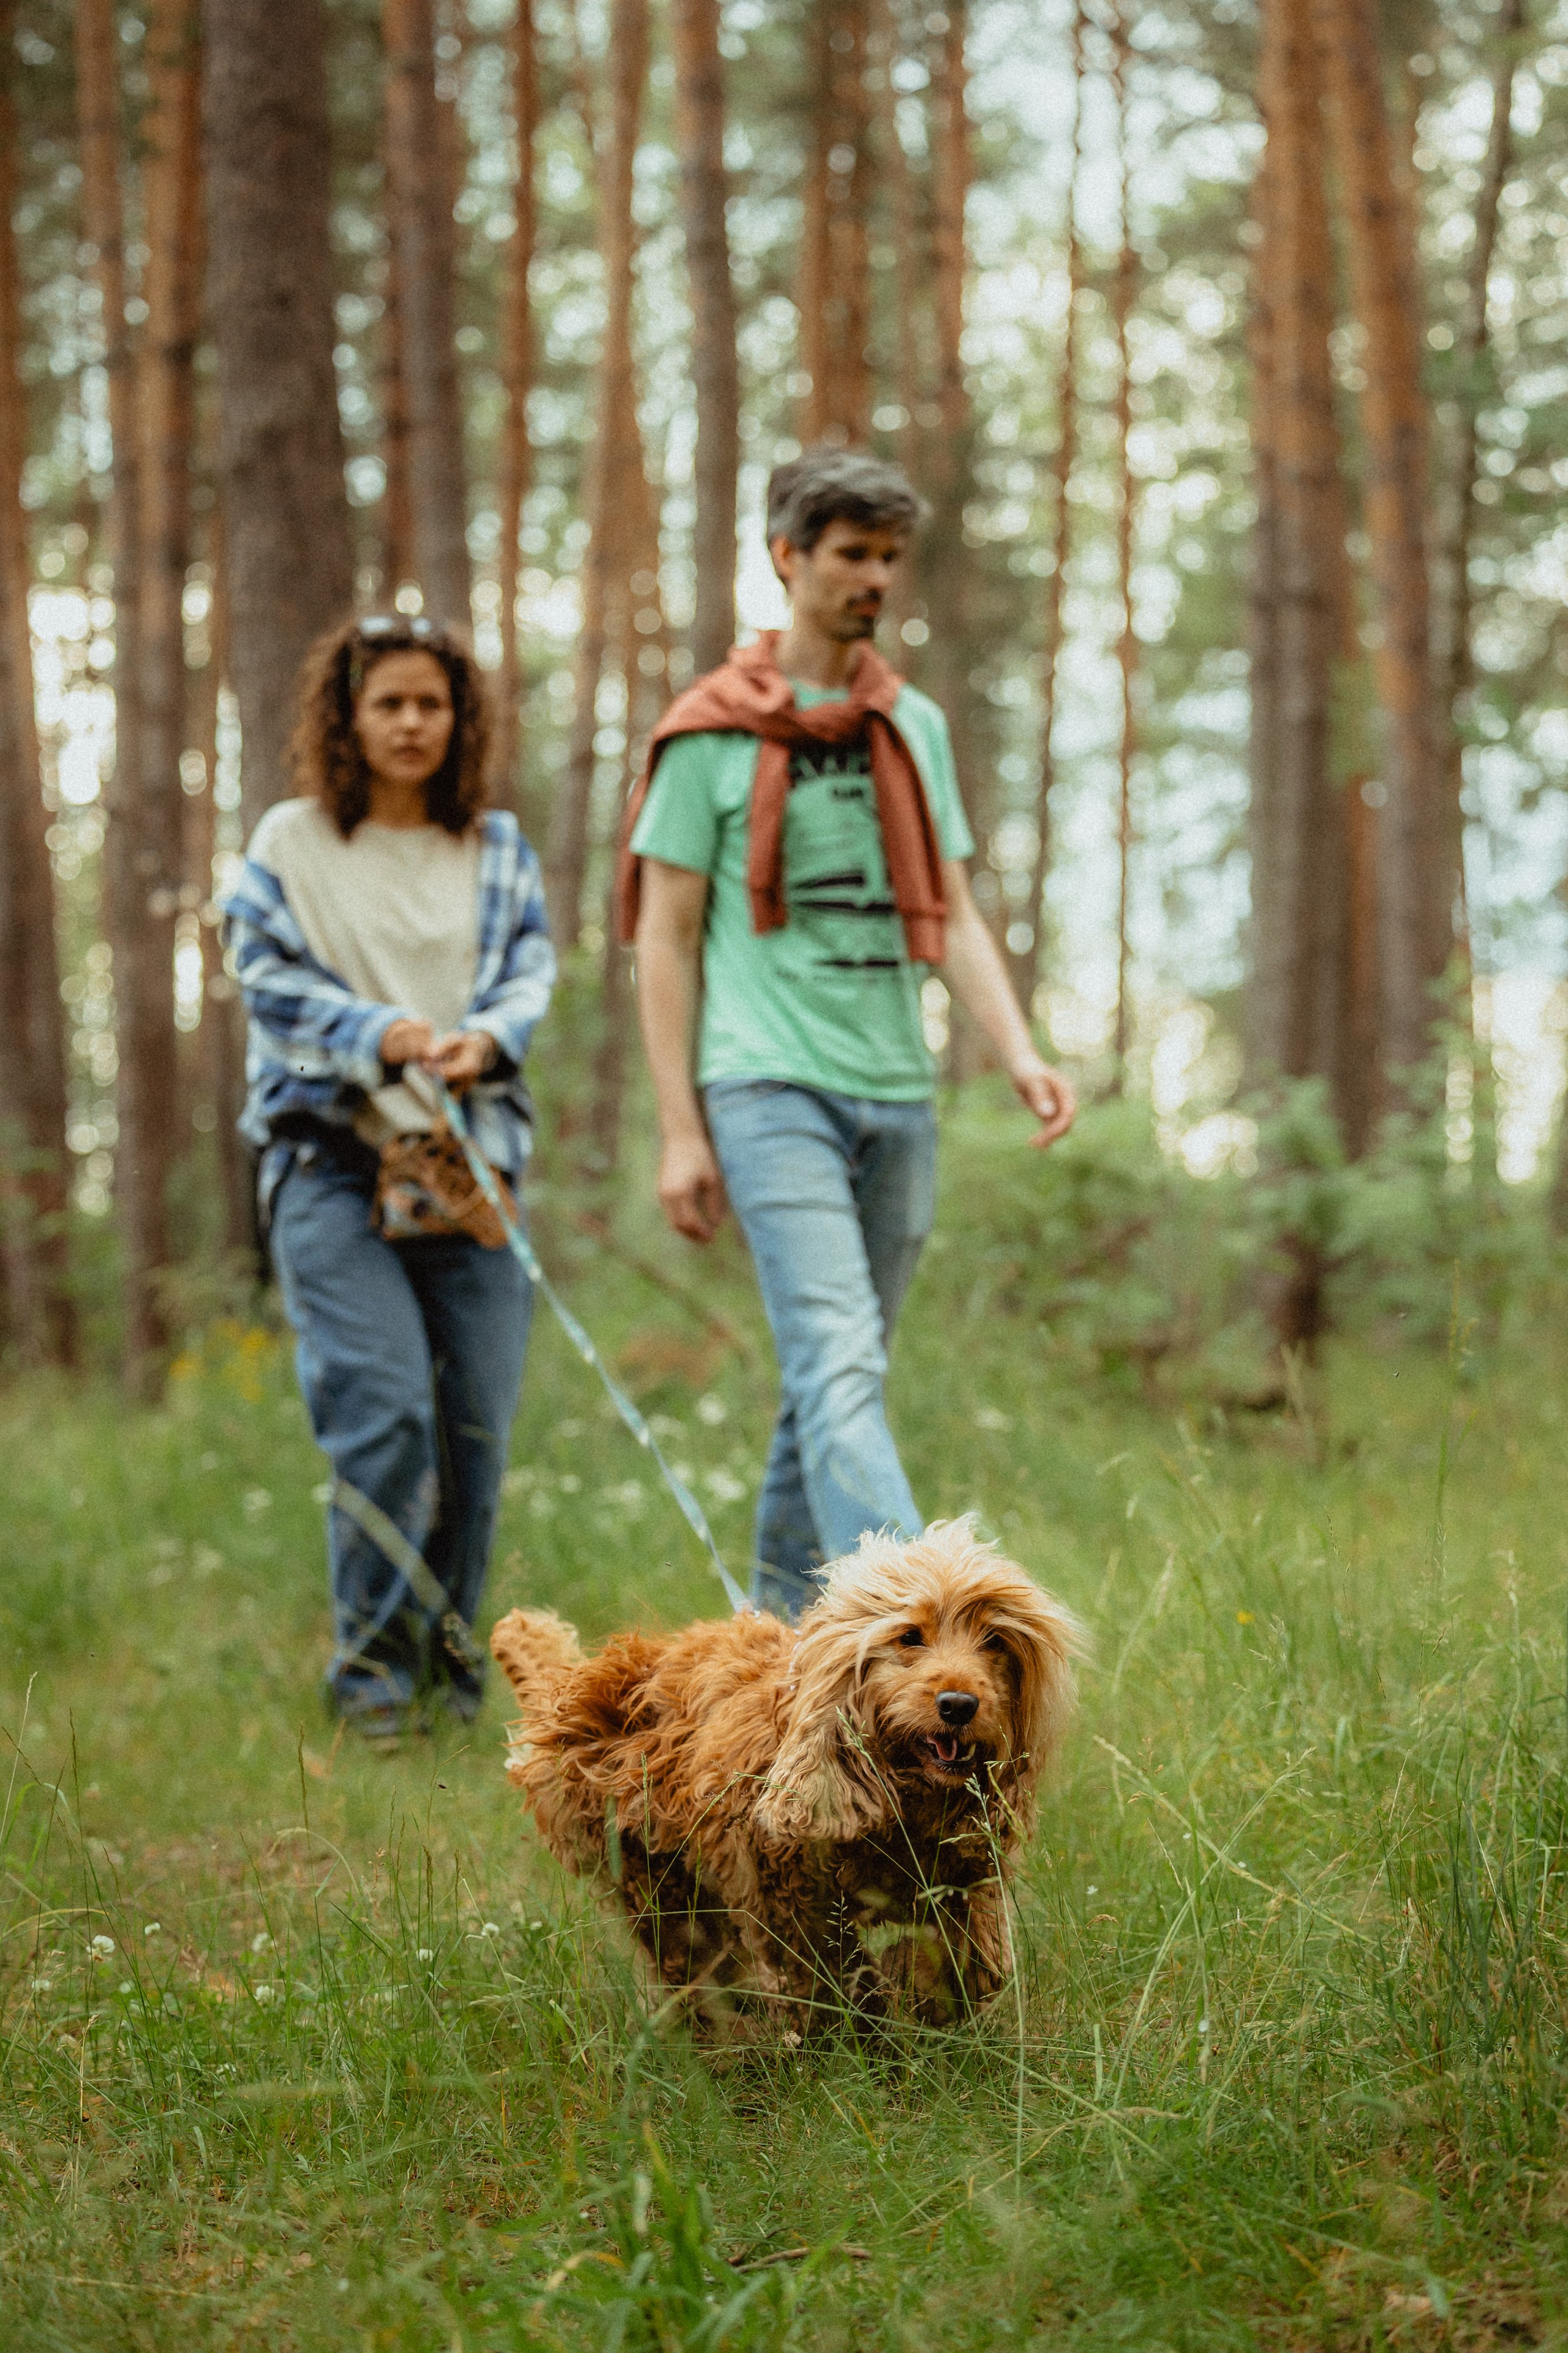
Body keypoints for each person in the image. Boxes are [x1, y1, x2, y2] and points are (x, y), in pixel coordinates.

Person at [618, 447, 1076, 1622]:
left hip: (895, 1091)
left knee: (829, 1377)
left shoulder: (907, 724)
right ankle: (921, 1614)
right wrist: (681, 1129)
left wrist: (1018, 1050)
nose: (874, 577)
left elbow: (955, 913)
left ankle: (773, 1637)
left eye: (888, 556)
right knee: (839, 1356)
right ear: (788, 558)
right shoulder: (707, 736)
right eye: (851, 554)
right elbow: (662, 940)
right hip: (767, 1087)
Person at [224, 614, 555, 1742]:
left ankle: (453, 1677)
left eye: (433, 703)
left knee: (473, 1429)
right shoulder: (293, 840)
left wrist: (484, 1040)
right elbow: (260, 973)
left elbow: (528, 973)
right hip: (330, 1164)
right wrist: (386, 1033)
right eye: (389, 704)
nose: (412, 723)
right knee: (385, 1411)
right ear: (348, 718)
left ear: (459, 719)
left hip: (468, 1167)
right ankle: (370, 1680)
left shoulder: (496, 846)